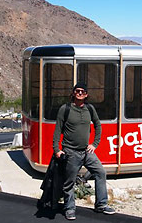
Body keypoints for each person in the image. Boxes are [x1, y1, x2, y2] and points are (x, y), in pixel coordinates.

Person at [53, 82, 115, 220]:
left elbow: (98, 125)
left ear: (86, 94)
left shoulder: (90, 108)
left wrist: (95, 144)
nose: (80, 93)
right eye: (77, 91)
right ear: (73, 93)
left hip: (87, 151)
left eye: (82, 91)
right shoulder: (65, 109)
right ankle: (69, 208)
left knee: (100, 172)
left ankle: (101, 204)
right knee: (69, 182)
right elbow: (57, 129)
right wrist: (56, 149)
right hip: (71, 152)